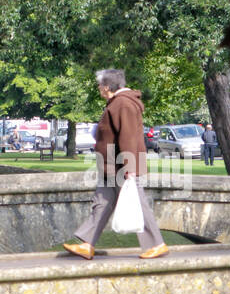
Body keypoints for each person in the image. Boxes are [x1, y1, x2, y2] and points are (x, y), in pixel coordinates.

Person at [62, 69, 168, 260]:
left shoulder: (123, 104)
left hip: (122, 167)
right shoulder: (117, 103)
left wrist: (129, 168)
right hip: (111, 167)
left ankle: (156, 244)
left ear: (107, 87)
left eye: (99, 85)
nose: (98, 89)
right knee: (101, 203)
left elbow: (128, 137)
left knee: (138, 203)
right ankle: (87, 243)